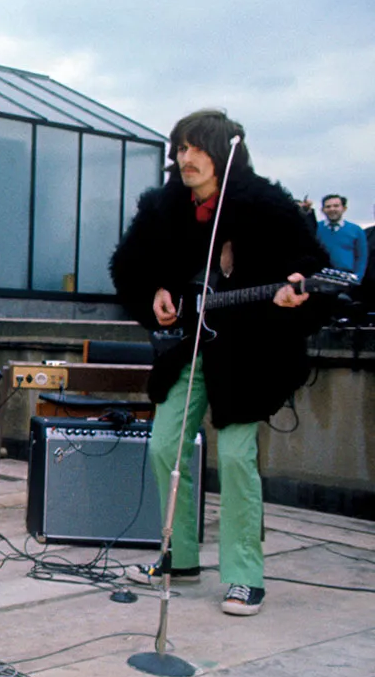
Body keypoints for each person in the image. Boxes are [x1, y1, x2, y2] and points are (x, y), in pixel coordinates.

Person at [110, 109, 327, 617]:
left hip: (248, 355)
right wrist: (156, 293)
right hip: (188, 346)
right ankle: (178, 558)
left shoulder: (265, 205)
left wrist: (298, 294)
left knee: (234, 456)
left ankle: (245, 576)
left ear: (223, 152)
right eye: (179, 149)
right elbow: (129, 267)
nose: (184, 158)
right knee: (164, 447)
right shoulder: (164, 206)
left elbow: (311, 267)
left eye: (194, 148)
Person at [315, 194, 366, 281]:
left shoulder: (356, 230)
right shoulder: (316, 228)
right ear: (323, 210)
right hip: (320, 277)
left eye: (336, 206)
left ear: (344, 208)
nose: (332, 209)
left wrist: (358, 277)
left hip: (347, 278)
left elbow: (362, 257)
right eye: (328, 206)